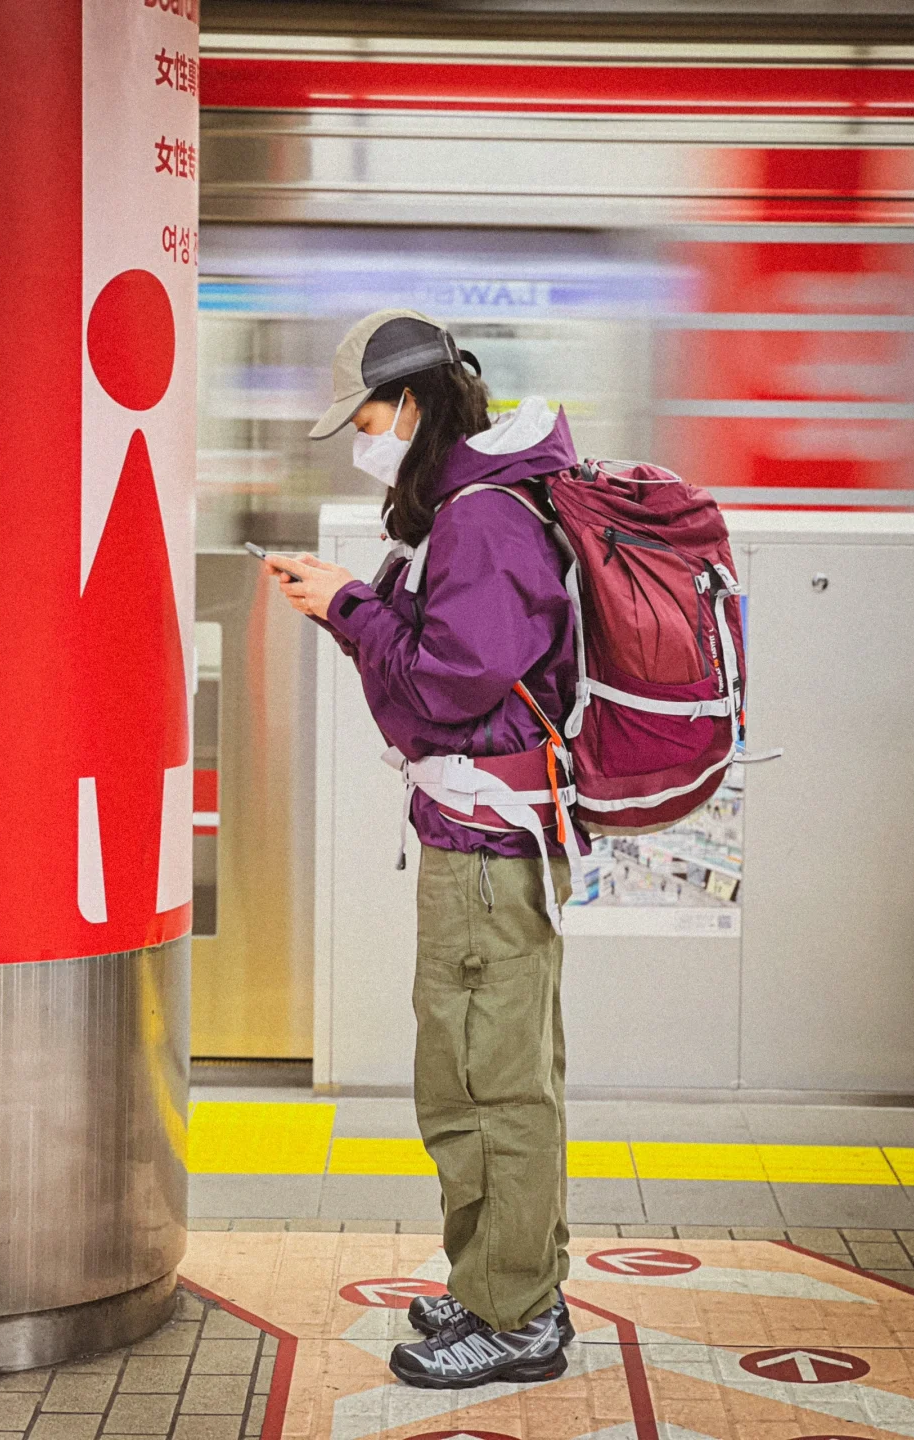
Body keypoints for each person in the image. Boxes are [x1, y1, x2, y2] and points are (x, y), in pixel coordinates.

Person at [264, 308, 586, 1389]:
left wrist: (350, 606)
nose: (363, 440)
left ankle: (515, 1315)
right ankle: (507, 1276)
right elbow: (448, 663)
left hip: (487, 850)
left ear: (410, 404)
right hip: (485, 838)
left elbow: (447, 687)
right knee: (494, 1076)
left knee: (483, 1086)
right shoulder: (476, 504)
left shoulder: (483, 518)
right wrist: (348, 608)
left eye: (365, 419)